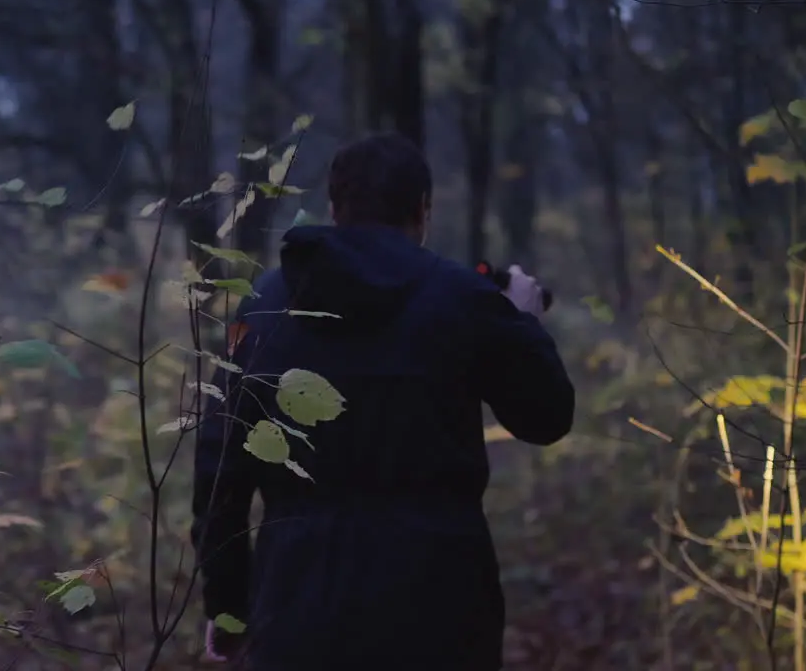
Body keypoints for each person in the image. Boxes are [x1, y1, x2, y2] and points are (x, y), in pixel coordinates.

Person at [190, 133, 575, 670]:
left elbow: (219, 463)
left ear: (334, 208)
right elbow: (546, 417)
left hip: (300, 600)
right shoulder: (462, 299)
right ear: (423, 210)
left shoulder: (267, 307)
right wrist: (523, 323)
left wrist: (228, 605)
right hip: (439, 601)